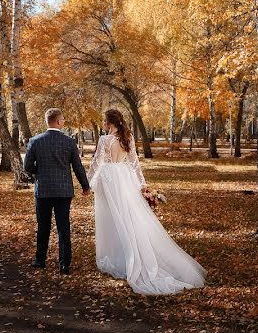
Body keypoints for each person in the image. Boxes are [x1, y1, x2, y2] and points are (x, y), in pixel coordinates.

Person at [88, 109, 206, 295]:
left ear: (109, 123)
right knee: (127, 217)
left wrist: (88, 182)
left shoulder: (105, 140)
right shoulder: (128, 137)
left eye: (104, 121)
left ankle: (117, 256)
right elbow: (135, 163)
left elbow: (97, 162)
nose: (102, 123)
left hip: (109, 179)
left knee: (110, 219)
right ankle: (126, 254)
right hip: (124, 178)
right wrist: (142, 184)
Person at [23, 108, 90, 274]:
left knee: (43, 226)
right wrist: (85, 186)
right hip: (63, 191)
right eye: (63, 119)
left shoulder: (35, 141)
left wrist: (40, 172)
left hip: (43, 190)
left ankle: (40, 260)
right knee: (63, 228)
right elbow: (77, 167)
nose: (64, 121)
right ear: (58, 122)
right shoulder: (69, 142)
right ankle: (64, 264)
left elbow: (27, 166)